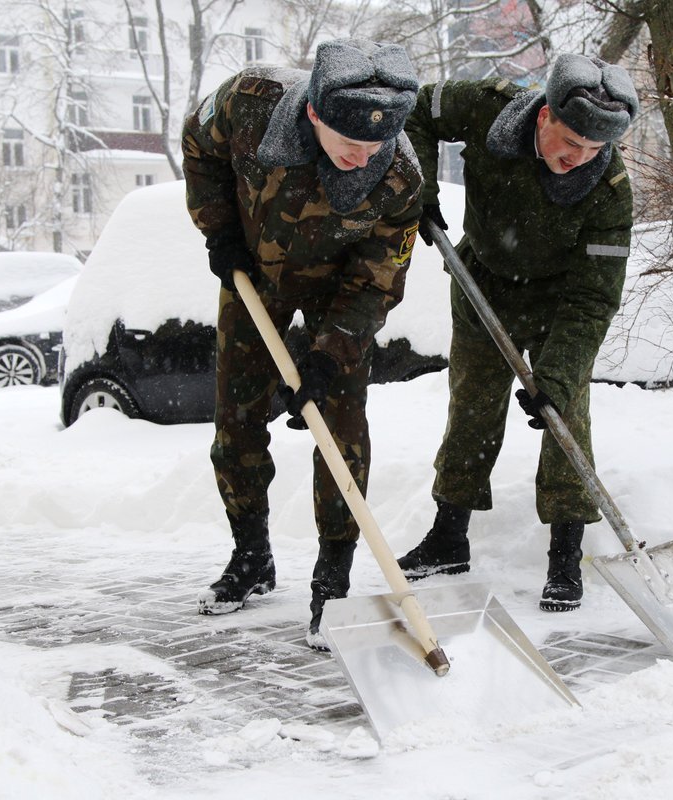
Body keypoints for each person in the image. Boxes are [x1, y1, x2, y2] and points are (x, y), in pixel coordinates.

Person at [182, 39, 423, 649]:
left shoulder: (398, 178)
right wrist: (220, 231)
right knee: (235, 422)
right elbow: (198, 146)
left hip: (335, 294)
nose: (362, 157)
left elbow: (376, 282)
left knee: (339, 432)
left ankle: (332, 582)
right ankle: (251, 556)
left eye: (375, 145)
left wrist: (327, 354)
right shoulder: (250, 102)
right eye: (349, 142)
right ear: (314, 113)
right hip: (253, 276)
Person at [397, 54, 638, 611]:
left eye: (594, 150)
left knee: (565, 416)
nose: (577, 159)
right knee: (472, 407)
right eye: (571, 140)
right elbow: (414, 111)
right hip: (483, 278)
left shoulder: (610, 192)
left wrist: (557, 373)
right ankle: (449, 536)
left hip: (560, 297)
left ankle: (565, 554)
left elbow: (595, 295)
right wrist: (420, 186)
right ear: (545, 114)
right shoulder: (489, 107)